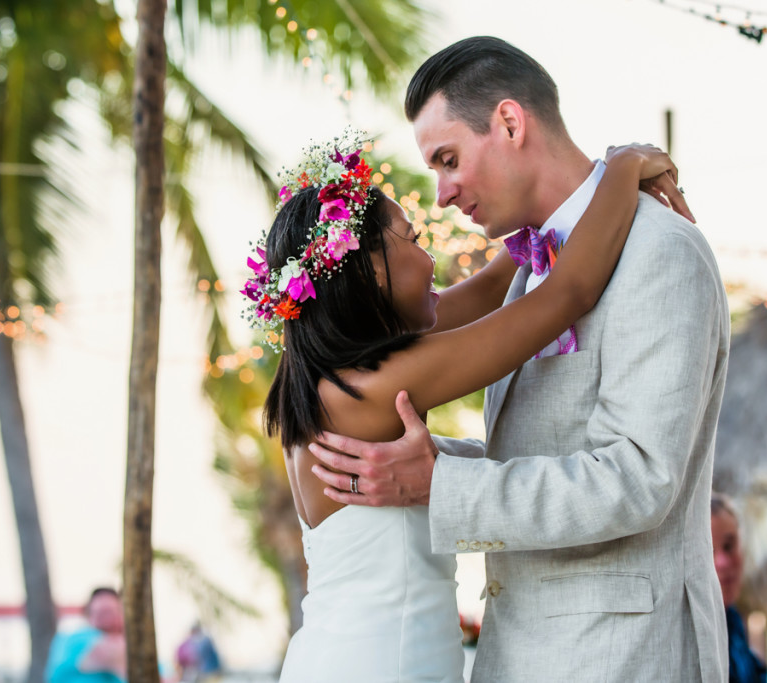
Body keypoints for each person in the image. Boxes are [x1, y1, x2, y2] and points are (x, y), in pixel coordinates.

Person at [308, 36, 730, 681]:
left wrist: (435, 477)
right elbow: (537, 450)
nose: (442, 194)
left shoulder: (659, 251)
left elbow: (640, 477)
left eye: (448, 160)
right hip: (516, 655)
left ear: (508, 121)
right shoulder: (531, 270)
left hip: (618, 660)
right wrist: (428, 468)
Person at [243, 122, 684, 681]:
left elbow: (489, 287)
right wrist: (621, 168)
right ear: (370, 271)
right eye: (414, 238)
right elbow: (567, 293)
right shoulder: (370, 387)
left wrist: (561, 202)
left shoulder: (337, 375)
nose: (430, 260)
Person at [712, 494, 767, 683]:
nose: (722, 562)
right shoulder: (686, 636)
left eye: (729, 546)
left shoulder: (733, 623)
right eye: (707, 550)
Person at [45, 588, 125, 683]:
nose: (108, 620)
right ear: (89, 616)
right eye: (103, 613)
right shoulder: (77, 639)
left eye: (112, 613)